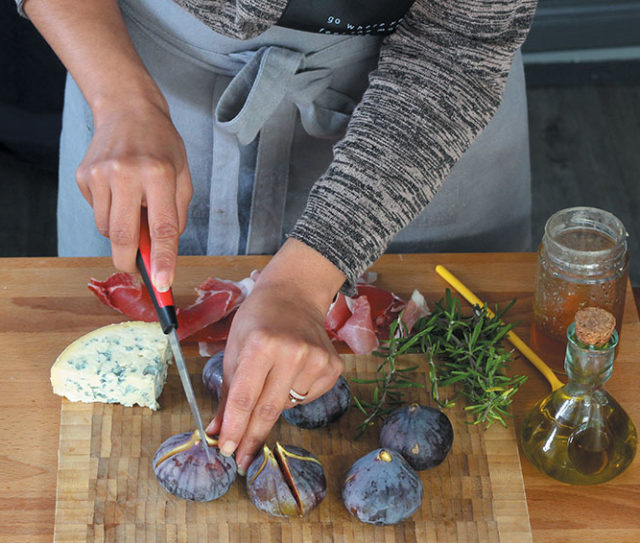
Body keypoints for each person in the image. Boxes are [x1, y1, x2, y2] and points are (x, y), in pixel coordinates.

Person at [18, 0, 537, 474]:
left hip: (423, 118)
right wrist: (122, 100)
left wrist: (304, 280)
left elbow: (463, 41)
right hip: (139, 77)